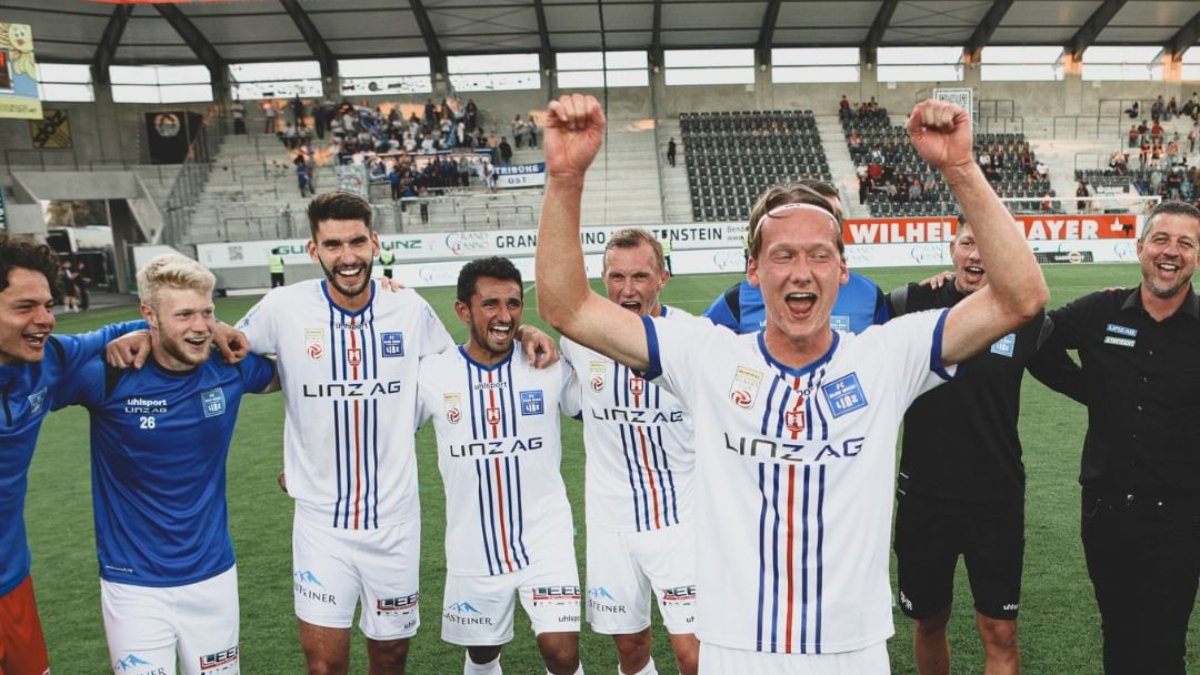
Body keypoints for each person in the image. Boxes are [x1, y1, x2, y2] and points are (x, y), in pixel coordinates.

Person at [534, 94, 1047, 673]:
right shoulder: (704, 355)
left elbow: (1021, 298)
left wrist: (960, 170)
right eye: (782, 256)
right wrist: (565, 177)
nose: (801, 271)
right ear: (753, 271)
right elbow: (567, 306)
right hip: (735, 647)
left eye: (819, 255)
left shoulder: (888, 355)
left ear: (842, 270)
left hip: (852, 649)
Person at [234, 192, 558, 675]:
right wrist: (140, 332)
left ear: (376, 243)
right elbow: (221, 345)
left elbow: (462, 366)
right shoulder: (282, 308)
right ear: (313, 250)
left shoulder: (407, 308)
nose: (347, 256)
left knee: (390, 657)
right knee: (324, 666)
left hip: (396, 521)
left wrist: (523, 331)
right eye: (333, 244)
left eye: (357, 242)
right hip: (321, 523)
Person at [54, 254, 277, 675]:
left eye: (207, 312)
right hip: (133, 585)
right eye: (184, 314)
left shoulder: (227, 364)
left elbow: (304, 373)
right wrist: (116, 334)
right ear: (149, 314)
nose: (199, 326)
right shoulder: (110, 371)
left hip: (213, 578)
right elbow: (35, 372)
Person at [888, 221, 1072, 675]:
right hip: (925, 498)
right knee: (930, 620)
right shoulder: (909, 303)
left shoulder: (1026, 318)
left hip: (996, 498)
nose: (977, 255)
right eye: (969, 243)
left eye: (988, 245)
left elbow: (1079, 379)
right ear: (952, 248)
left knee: (1001, 630)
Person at [1032, 201, 1200, 675]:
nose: (1171, 252)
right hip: (1107, 512)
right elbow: (1035, 339)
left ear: (1198, 255)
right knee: (1119, 633)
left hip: (1182, 520)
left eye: (1185, 243)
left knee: (1165, 642)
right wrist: (1091, 391)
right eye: (1161, 240)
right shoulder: (1100, 310)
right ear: (1140, 246)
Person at [416, 256, 584, 675]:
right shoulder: (432, 375)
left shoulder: (546, 365)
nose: (504, 316)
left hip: (546, 538)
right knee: (482, 654)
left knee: (562, 653)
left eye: (514, 304)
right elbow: (382, 436)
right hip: (473, 545)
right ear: (463, 310)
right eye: (490, 304)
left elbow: (601, 409)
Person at [0, 234, 146, 675]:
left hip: (11, 583)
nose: (44, 320)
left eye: (48, 305)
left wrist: (208, 327)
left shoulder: (48, 360)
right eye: (25, 307)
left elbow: (109, 333)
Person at [560, 229, 699, 675]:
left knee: (693, 654)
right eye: (616, 276)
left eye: (640, 275)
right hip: (611, 522)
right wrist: (528, 334)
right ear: (602, 279)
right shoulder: (577, 341)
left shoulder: (695, 339)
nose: (628, 288)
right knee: (631, 647)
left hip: (683, 519)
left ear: (663, 277)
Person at [705, 180, 889, 335]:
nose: (802, 274)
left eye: (835, 217)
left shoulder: (869, 295)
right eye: (784, 256)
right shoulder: (737, 301)